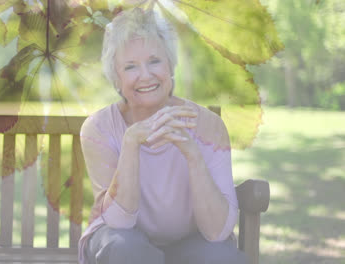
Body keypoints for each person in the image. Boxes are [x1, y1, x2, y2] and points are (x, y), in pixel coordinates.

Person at [78, 8, 247, 264]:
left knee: (222, 257)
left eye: (155, 61)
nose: (145, 75)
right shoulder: (98, 128)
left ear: (170, 65)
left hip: (189, 243)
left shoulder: (208, 126)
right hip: (121, 241)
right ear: (117, 78)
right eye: (131, 66)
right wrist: (131, 143)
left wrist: (191, 153)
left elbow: (217, 232)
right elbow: (119, 222)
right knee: (127, 249)